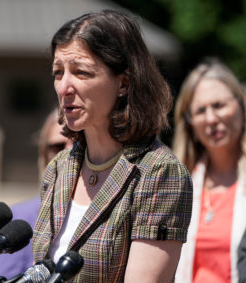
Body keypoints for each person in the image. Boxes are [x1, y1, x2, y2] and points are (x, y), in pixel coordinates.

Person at [32, 10, 193, 282]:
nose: (64, 87)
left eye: (81, 72)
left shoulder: (159, 174)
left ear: (123, 83)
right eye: (58, 73)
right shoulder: (58, 168)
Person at [173, 59, 246, 283]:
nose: (212, 119)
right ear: (190, 124)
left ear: (241, 106)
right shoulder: (178, 184)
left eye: (219, 105)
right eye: (201, 110)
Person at [0, 108, 72, 279]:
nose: (68, 153)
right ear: (44, 156)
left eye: (78, 143)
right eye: (58, 146)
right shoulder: (20, 217)